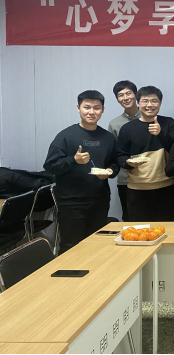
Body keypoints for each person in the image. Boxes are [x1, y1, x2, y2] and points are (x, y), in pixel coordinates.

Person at [44, 90, 119, 253]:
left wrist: (110, 171)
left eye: (96, 108)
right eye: (87, 107)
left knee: (97, 245)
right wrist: (73, 160)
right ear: (78, 108)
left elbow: (115, 162)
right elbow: (50, 166)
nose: (91, 112)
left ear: (102, 110)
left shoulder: (107, 137)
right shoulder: (65, 136)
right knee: (71, 246)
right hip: (71, 202)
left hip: (100, 200)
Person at [117, 86, 174, 222]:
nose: (149, 105)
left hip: (166, 188)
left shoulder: (169, 123)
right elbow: (120, 155)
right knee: (139, 230)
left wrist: (161, 133)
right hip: (136, 189)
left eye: (154, 101)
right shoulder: (127, 129)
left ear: (160, 103)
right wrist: (127, 162)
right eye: (145, 101)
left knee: (166, 229)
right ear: (138, 103)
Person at [108, 80, 141, 222]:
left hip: (151, 178)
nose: (125, 98)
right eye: (121, 95)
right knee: (130, 219)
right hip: (126, 180)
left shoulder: (151, 118)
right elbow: (115, 153)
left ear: (136, 94)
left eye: (129, 93)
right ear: (117, 99)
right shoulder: (114, 124)